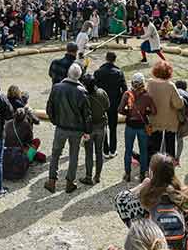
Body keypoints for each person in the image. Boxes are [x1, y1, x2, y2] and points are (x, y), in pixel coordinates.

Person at [114, 153, 188, 250]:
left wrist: (141, 186)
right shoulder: (187, 197)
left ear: (151, 172)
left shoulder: (142, 199)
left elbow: (119, 201)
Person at [45, 63, 92, 193]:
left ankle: (51, 181)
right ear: (79, 76)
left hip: (61, 127)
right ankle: (69, 183)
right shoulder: (82, 92)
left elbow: (49, 108)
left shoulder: (56, 88)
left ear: (68, 73)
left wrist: (55, 121)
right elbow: (87, 115)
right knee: (73, 155)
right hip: (76, 130)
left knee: (55, 154)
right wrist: (87, 131)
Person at [119, 73, 157, 182]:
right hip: (142, 125)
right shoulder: (147, 96)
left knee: (128, 150)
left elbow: (120, 110)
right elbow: (154, 111)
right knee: (143, 150)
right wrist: (145, 112)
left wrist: (129, 113)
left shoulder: (127, 94)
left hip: (130, 125)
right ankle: (142, 174)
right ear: (143, 83)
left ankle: (127, 174)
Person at [146, 60, 184, 160]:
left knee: (155, 146)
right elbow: (178, 104)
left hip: (155, 118)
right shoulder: (170, 85)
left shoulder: (150, 83)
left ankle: (153, 166)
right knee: (170, 146)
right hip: (169, 120)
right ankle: (169, 167)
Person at [94, 50, 127, 158]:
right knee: (113, 127)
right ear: (114, 60)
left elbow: (94, 88)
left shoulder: (98, 72)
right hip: (114, 103)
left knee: (103, 126)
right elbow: (125, 90)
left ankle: (105, 150)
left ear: (106, 58)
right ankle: (113, 150)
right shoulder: (119, 72)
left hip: (101, 103)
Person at [80, 73, 110, 185]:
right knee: (99, 152)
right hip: (101, 126)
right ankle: (97, 176)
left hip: (88, 128)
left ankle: (88, 177)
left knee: (89, 153)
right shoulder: (101, 92)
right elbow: (107, 106)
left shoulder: (83, 96)